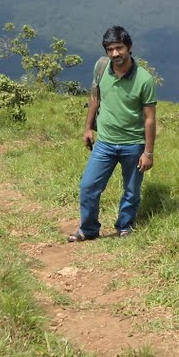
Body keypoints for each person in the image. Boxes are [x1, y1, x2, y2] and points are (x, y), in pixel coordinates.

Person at [68, 26, 157, 242]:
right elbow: (95, 98)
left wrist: (148, 152)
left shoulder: (144, 80)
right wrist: (88, 128)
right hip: (105, 142)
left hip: (133, 143)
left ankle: (124, 226)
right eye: (110, 49)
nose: (115, 53)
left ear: (129, 47)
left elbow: (150, 118)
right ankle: (88, 229)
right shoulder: (101, 68)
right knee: (88, 186)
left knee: (131, 190)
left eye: (119, 48)